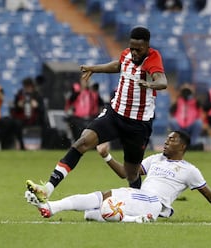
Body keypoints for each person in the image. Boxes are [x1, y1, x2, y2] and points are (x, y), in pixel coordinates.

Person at [25, 26, 168, 202]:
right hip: (115, 114)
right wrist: (94, 68)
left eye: (138, 49)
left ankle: (140, 203)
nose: (134, 52)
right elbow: (118, 65)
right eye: (132, 48)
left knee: (131, 173)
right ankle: (47, 188)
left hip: (138, 124)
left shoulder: (153, 58)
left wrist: (151, 85)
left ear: (147, 46)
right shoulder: (127, 55)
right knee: (82, 142)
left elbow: (162, 80)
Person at [25, 131, 211, 223]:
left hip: (154, 203)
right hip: (139, 196)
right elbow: (126, 174)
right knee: (98, 200)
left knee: (106, 205)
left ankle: (135, 220)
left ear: (182, 146)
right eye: (166, 139)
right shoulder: (155, 159)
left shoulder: (189, 170)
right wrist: (106, 156)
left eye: (172, 139)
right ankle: (51, 207)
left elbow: (210, 195)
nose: (166, 142)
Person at [11, 77, 47, 147]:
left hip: (35, 119)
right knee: (16, 124)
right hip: (22, 119)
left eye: (29, 86)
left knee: (45, 125)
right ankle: (21, 145)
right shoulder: (19, 95)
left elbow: (42, 110)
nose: (27, 88)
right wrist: (18, 105)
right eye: (26, 86)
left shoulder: (37, 95)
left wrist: (37, 106)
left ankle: (43, 146)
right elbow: (14, 110)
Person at [169, 84, 203, 149]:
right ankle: (178, 143)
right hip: (179, 124)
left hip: (191, 124)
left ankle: (192, 144)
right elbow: (171, 111)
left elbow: (200, 110)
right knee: (173, 121)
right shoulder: (177, 101)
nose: (186, 93)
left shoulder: (195, 101)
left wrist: (192, 94)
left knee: (199, 122)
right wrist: (177, 98)